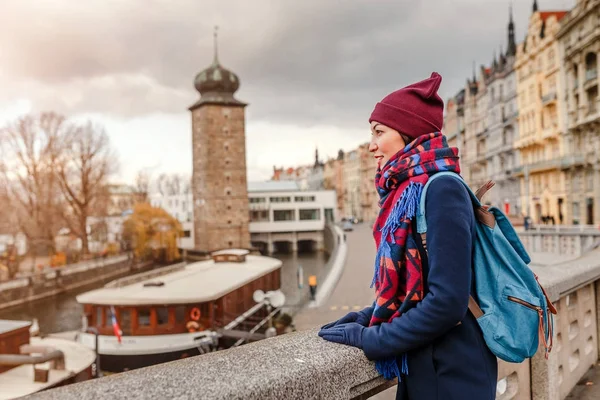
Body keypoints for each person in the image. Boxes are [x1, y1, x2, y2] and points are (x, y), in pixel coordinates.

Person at [318, 72, 497, 399]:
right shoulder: (409, 191)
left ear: (408, 131)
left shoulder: (443, 188)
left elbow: (447, 303)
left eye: (379, 132)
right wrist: (365, 317)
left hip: (454, 375)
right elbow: (416, 292)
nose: (372, 145)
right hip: (424, 369)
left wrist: (367, 339)